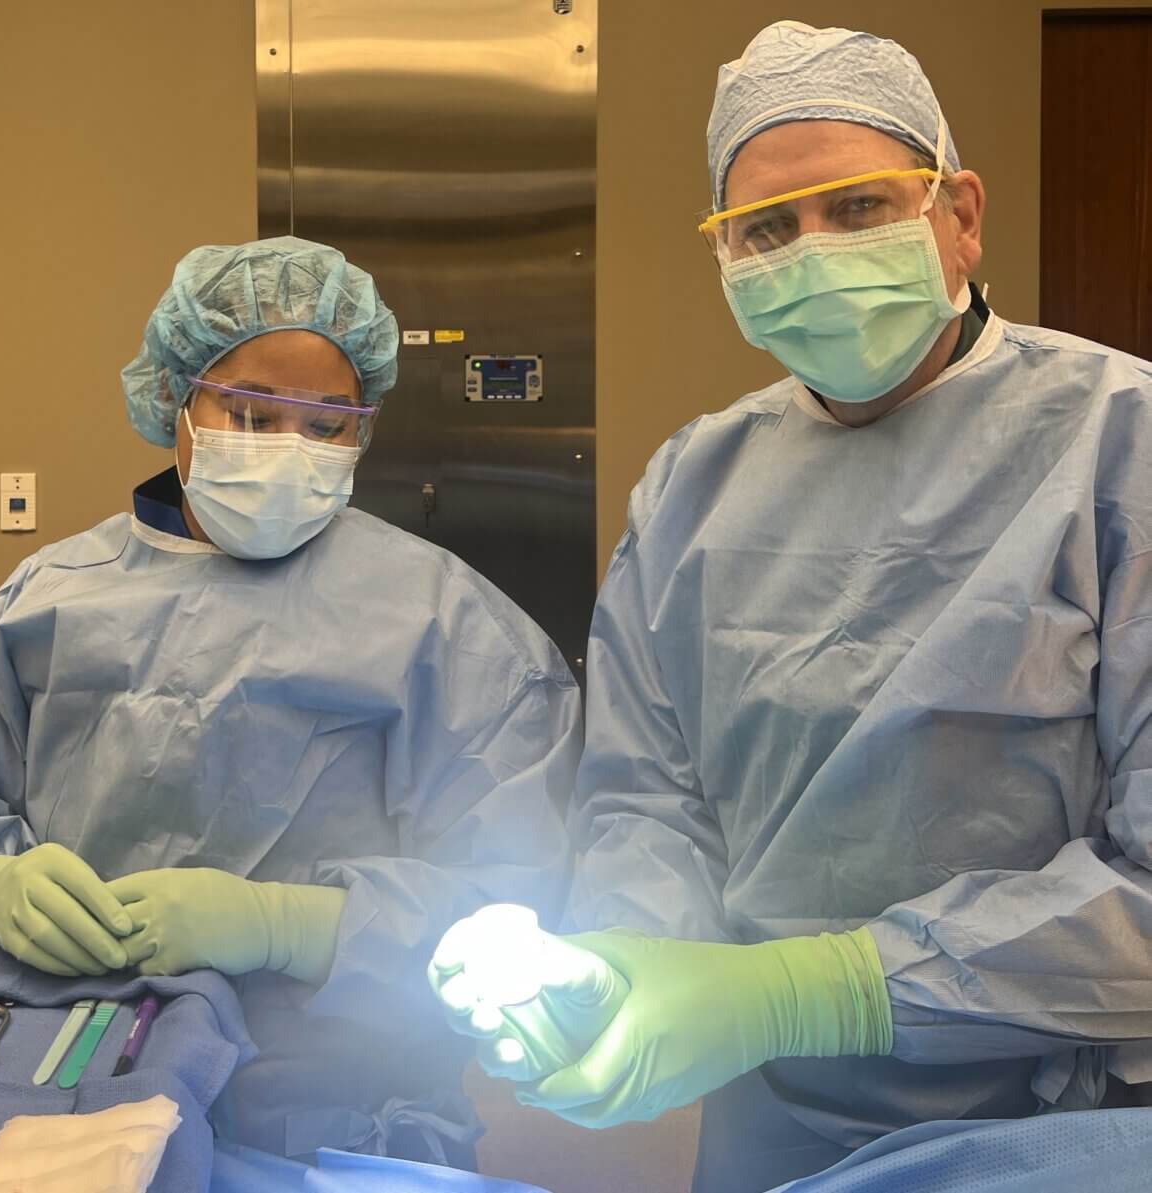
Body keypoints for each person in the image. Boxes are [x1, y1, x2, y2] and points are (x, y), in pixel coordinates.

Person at [429, 22, 1152, 1193]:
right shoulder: (691, 487)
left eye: (860, 206)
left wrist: (820, 985)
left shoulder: (1122, 445)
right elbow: (645, 797)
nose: (813, 251)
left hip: (1063, 1112)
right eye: (766, 228)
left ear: (960, 215)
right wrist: (621, 964)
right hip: (774, 1110)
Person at [0, 236, 582, 1167]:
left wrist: (288, 925)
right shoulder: (48, 601)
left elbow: (523, 897)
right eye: (251, 411)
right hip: (56, 1083)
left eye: (328, 424)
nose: (291, 447)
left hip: (336, 1112)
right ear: (175, 401)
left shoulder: (445, 622)